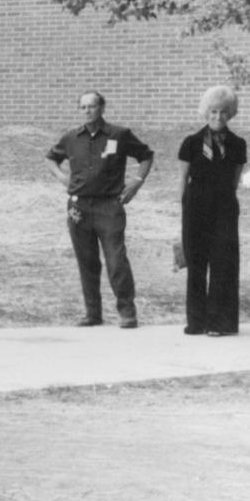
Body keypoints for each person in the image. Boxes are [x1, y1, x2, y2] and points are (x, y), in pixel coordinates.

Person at [47, 90, 153, 328]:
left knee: (116, 260)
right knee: (87, 261)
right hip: (79, 207)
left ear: (102, 108)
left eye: (92, 106)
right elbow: (50, 158)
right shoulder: (71, 137)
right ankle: (92, 313)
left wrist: (137, 182)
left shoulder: (119, 134)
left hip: (109, 207)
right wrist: (63, 178)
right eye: (83, 107)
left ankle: (127, 312)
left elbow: (146, 156)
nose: (87, 111)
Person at [177, 85, 248, 337]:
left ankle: (220, 323)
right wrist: (183, 209)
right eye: (214, 112)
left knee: (223, 264)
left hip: (224, 209)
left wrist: (222, 201)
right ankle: (196, 322)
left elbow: (234, 180)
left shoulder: (238, 144)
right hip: (195, 208)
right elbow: (183, 180)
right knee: (196, 264)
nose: (218, 117)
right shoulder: (191, 142)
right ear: (206, 113)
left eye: (223, 113)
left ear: (231, 114)